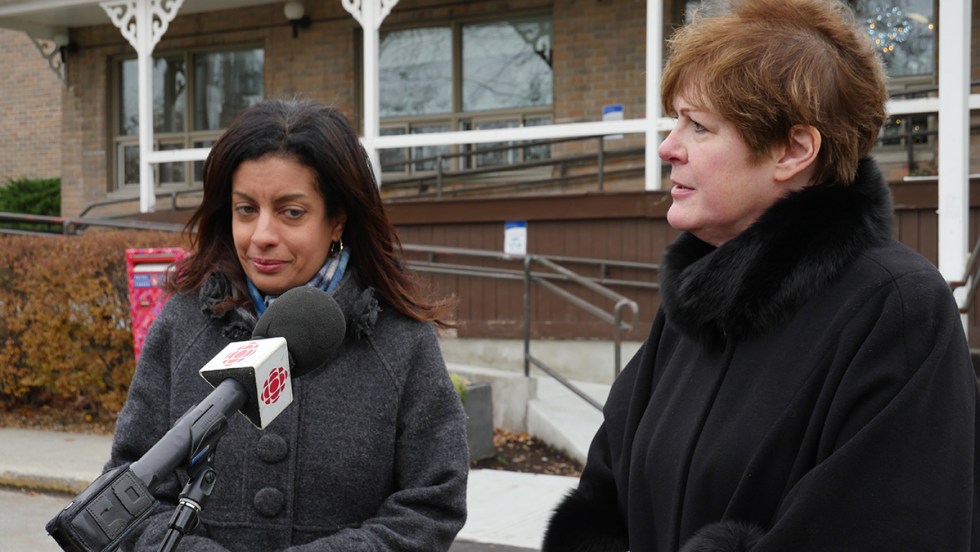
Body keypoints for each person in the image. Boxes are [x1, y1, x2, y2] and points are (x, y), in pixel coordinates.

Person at [541, 0, 979, 550]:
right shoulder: (697, 304)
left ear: (794, 150)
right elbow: (605, 501)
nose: (668, 147)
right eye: (676, 120)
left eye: (699, 126)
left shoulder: (897, 311)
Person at [106, 99, 469, 551]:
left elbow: (432, 504)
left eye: (291, 212)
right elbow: (128, 489)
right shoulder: (183, 323)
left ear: (337, 220)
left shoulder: (400, 339)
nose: (261, 235)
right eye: (245, 210)